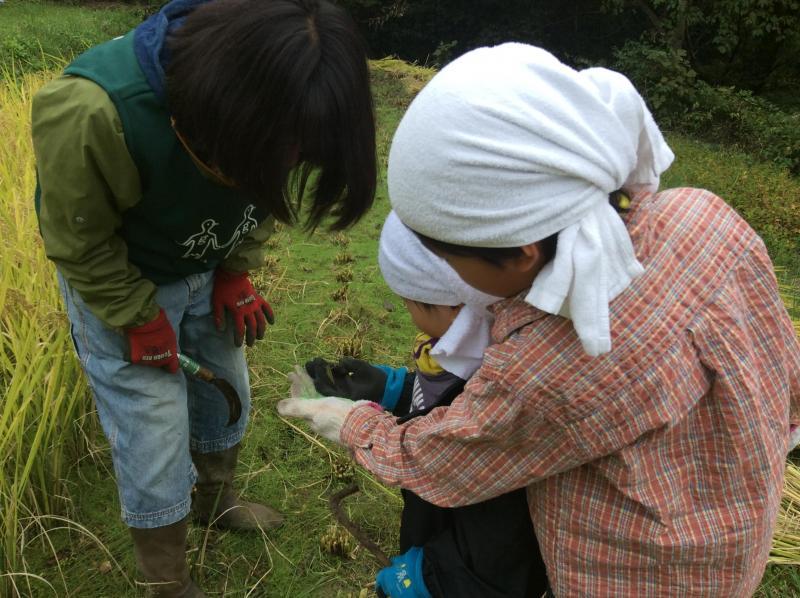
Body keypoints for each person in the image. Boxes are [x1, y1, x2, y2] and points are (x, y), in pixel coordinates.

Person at [278, 43, 800, 596]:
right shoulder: (702, 213)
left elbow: (448, 464)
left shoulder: (552, 355)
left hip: (634, 573)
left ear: (523, 250)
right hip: (735, 536)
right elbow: (782, 369)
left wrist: (350, 421)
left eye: (451, 258)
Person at [31, 0, 375, 595]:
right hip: (120, 282)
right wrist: (138, 317)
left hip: (204, 268)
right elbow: (78, 240)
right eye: (277, 154)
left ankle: (217, 500)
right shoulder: (93, 112)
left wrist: (234, 272)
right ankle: (168, 581)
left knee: (227, 390)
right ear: (219, 110)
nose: (286, 166)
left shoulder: (274, 102)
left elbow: (262, 200)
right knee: (154, 428)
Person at [303, 211, 548, 597]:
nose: (413, 321)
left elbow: (501, 539)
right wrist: (393, 388)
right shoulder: (467, 355)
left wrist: (428, 581)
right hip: (434, 529)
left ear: (454, 306)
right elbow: (442, 401)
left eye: (411, 305)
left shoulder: (511, 393)